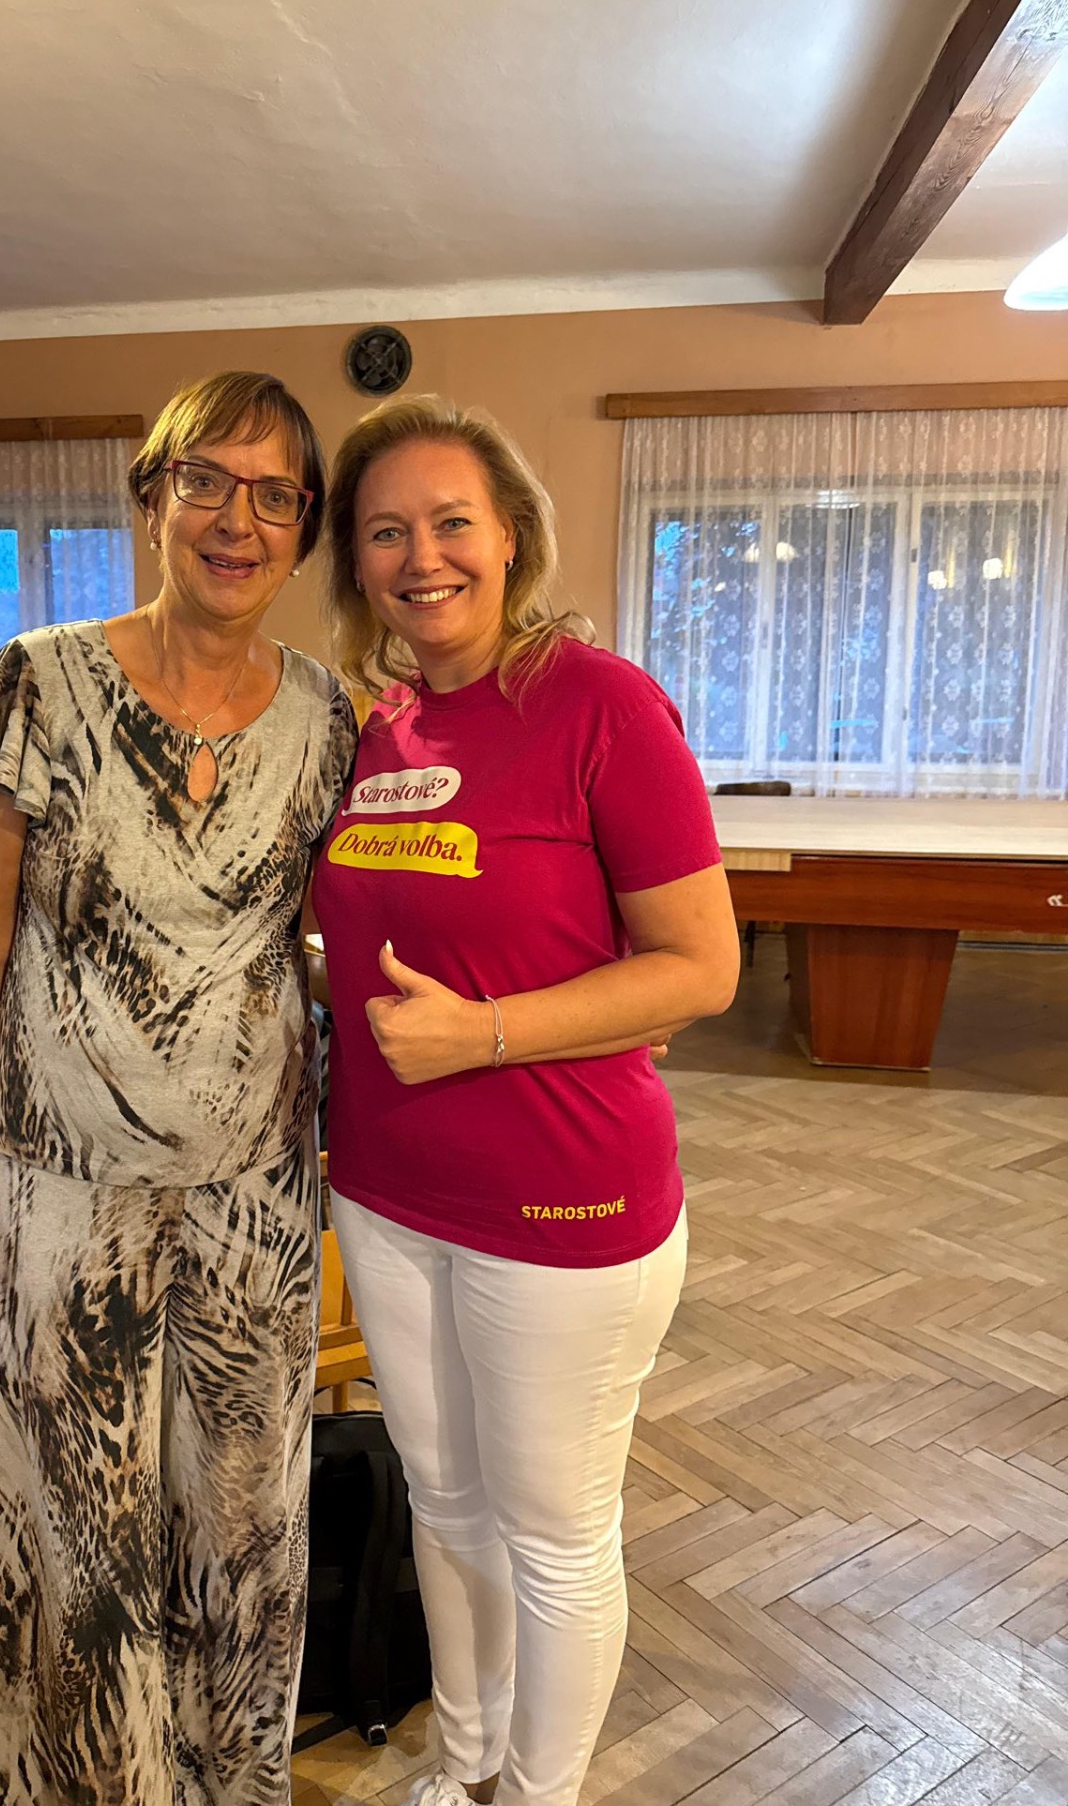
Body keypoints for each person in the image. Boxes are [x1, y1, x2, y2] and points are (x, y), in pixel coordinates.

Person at [0, 372, 357, 1806]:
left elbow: (348, 926)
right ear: (152, 497)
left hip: (252, 1206)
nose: (238, 519)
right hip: (63, 1201)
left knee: (242, 1537)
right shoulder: (38, 681)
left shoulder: (327, 717)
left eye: (275, 495)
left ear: (304, 530)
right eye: (205, 482)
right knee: (78, 1545)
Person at [311, 396, 741, 1806]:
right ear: (356, 561)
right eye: (386, 531)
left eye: (451, 522)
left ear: (510, 538)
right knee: (445, 1503)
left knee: (554, 1533)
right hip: (386, 1188)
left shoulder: (600, 704)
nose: (421, 555)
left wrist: (486, 1033)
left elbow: (703, 966)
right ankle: (465, 1764)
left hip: (565, 1198)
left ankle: (541, 1796)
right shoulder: (377, 726)